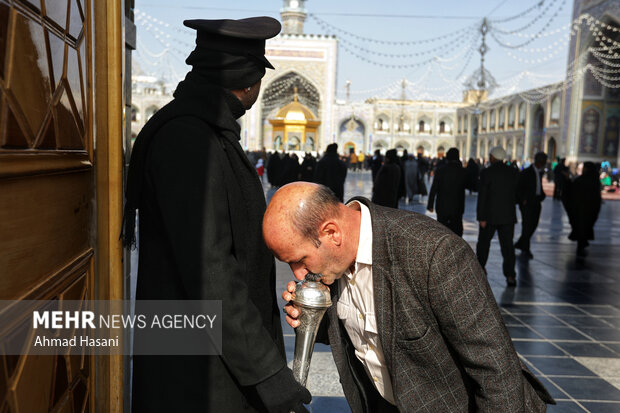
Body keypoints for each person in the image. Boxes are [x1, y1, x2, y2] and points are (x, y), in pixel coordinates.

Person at [123, 17, 310, 413]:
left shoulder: (200, 130)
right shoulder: (192, 140)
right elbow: (211, 271)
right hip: (199, 370)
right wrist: (269, 376)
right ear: (249, 81)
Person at [263, 182, 554, 413]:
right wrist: (314, 319)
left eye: (300, 260)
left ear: (331, 233)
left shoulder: (433, 254)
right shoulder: (334, 263)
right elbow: (363, 329)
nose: (299, 275)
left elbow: (495, 370)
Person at [476, 146, 519, 286]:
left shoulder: (487, 173)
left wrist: (481, 217)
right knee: (507, 247)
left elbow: (482, 196)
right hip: (507, 216)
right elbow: (516, 194)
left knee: (483, 243)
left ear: (493, 157)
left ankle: (480, 269)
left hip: (489, 216)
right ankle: (510, 275)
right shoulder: (513, 172)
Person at [563, 162, 602, 256]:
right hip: (591, 209)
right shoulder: (595, 180)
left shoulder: (582, 180)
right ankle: (582, 243)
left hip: (581, 209)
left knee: (581, 227)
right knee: (585, 227)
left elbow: (571, 190)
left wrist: (567, 180)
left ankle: (581, 245)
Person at [427, 147, 468, 236]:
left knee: (442, 230)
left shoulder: (441, 170)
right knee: (457, 230)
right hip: (457, 206)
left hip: (442, 206)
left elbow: (434, 188)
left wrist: (430, 205)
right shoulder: (462, 171)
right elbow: (470, 185)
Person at [515, 151, 548, 259]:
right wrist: (523, 199)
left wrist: (542, 195)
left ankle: (520, 243)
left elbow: (538, 186)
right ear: (539, 161)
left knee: (533, 225)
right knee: (527, 226)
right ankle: (525, 248)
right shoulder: (526, 172)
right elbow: (519, 186)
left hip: (536, 202)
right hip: (527, 203)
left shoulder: (539, 172)